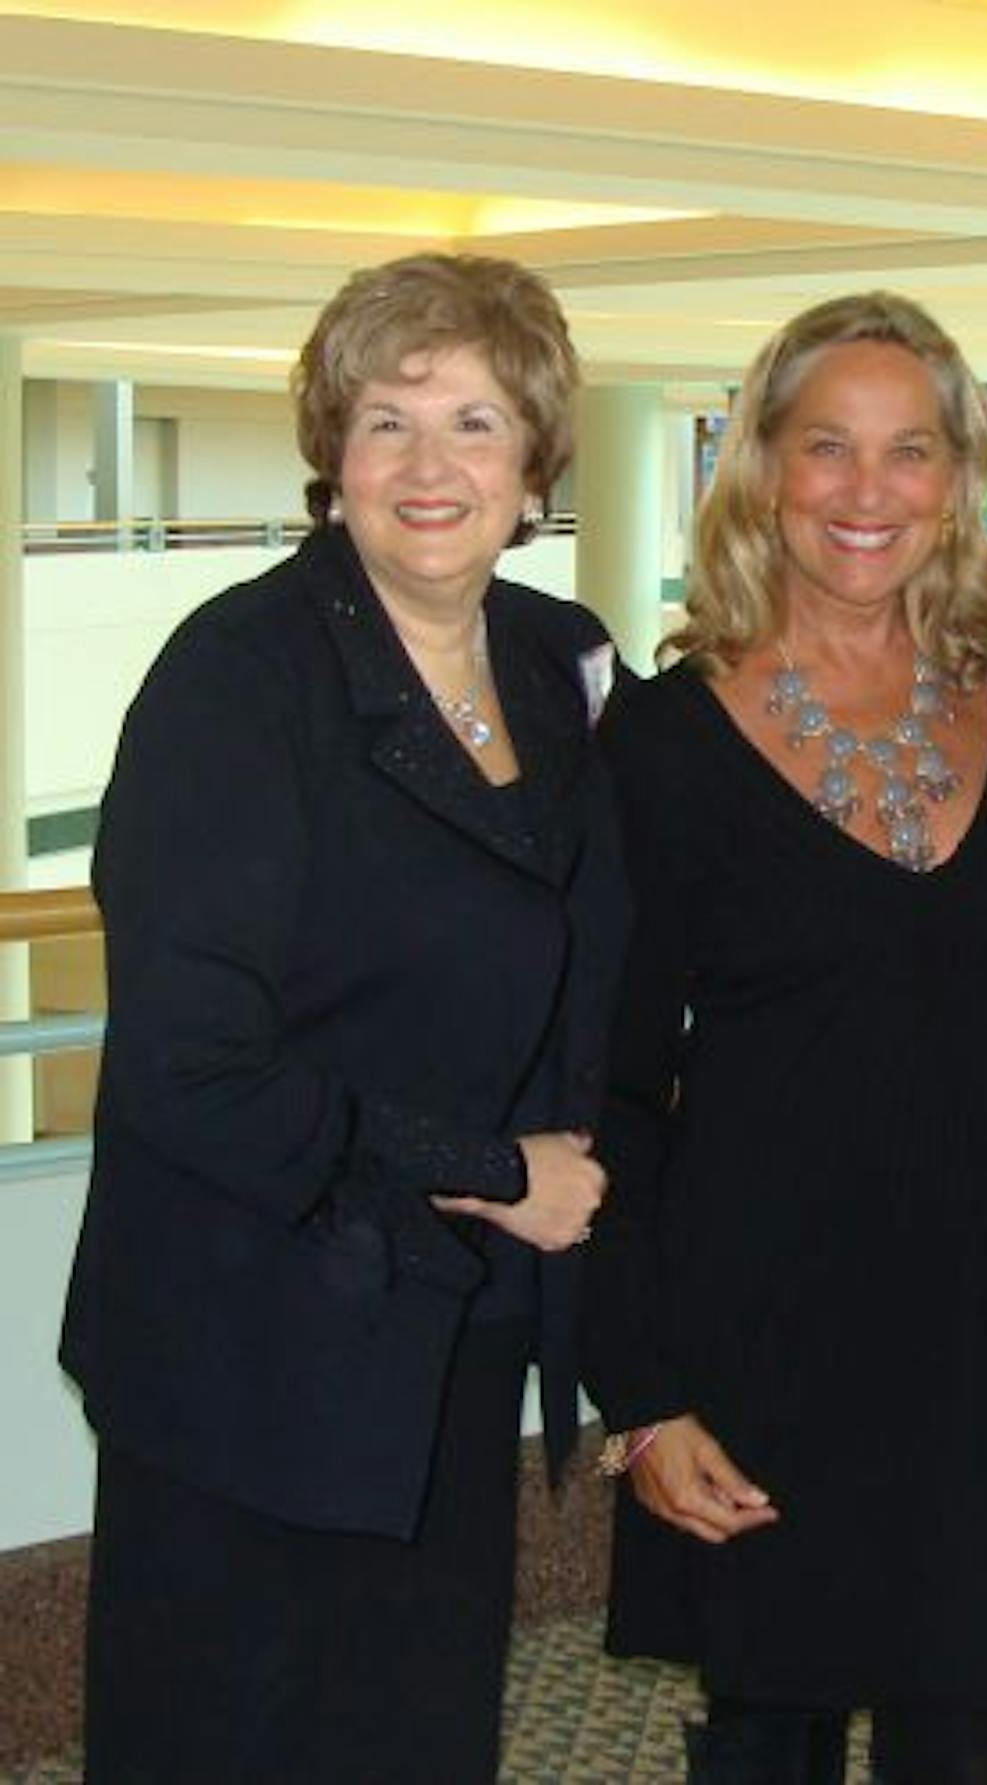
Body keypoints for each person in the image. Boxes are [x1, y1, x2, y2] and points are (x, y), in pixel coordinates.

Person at [60, 252, 629, 1782]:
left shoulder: (555, 663)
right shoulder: (237, 679)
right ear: (334, 454)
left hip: (446, 1336)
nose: (430, 466)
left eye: (474, 421)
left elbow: (599, 952)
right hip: (253, 1336)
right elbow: (193, 1069)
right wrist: (500, 1171)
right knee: (241, 1738)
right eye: (388, 420)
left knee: (418, 1731)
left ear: (534, 462)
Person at [582, 291, 987, 1785]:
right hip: (751, 1350)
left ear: (961, 477)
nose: (867, 493)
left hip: (973, 1353)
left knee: (967, 1748)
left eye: (910, 451)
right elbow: (614, 1088)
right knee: (767, 1747)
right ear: (761, 473)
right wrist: (646, 1397)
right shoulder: (663, 746)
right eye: (827, 449)